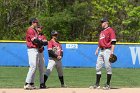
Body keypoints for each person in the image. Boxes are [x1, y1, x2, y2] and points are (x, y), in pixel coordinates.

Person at [89, 18, 116, 90]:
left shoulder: (110, 30)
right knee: (98, 67)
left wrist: (112, 52)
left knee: (108, 66)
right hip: (101, 51)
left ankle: (108, 84)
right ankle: (97, 84)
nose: (101, 23)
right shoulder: (102, 32)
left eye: (103, 22)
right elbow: (100, 42)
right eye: (101, 22)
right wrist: (97, 49)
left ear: (106, 22)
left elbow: (113, 42)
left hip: (107, 50)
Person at [24, 18, 46, 89]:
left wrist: (42, 42)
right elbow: (35, 41)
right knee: (33, 66)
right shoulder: (30, 29)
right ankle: (27, 83)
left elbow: (38, 41)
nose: (37, 23)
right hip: (32, 49)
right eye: (36, 22)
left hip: (35, 49)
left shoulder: (34, 30)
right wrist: (43, 42)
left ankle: (31, 83)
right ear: (32, 22)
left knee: (34, 67)